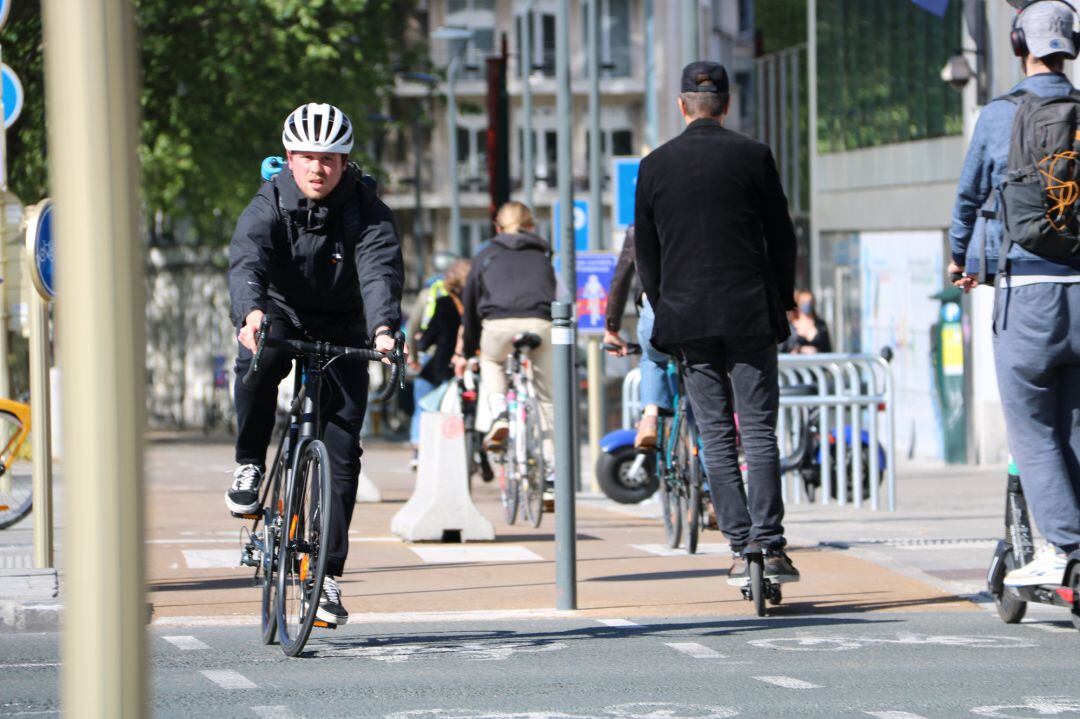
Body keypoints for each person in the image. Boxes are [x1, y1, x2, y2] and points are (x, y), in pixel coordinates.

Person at [227, 102, 404, 625]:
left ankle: (325, 577)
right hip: (281, 311)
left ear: (345, 162)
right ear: (289, 157)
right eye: (307, 156)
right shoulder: (270, 201)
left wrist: (385, 331)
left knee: (343, 450)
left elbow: (379, 271)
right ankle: (250, 462)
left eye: (329, 158)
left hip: (347, 322)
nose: (318, 167)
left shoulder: (368, 209)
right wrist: (251, 312)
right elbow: (248, 259)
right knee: (258, 361)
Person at [634, 61, 800, 585]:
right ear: (726, 105)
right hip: (750, 310)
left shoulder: (655, 165)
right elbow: (782, 234)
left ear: (681, 106)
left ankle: (738, 547)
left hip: (687, 317)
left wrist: (664, 304)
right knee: (758, 430)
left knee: (714, 435)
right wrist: (783, 298)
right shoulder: (754, 155)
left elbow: (646, 250)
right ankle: (771, 546)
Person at [949, 0, 1080, 587]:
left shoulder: (1001, 115)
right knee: (1075, 425)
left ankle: (1066, 550)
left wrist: (960, 256)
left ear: (1016, 44)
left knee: (1032, 427)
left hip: (1027, 293)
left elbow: (971, 197)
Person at [455, 202, 556, 456]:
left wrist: (469, 348)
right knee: (545, 400)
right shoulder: (543, 254)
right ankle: (551, 475)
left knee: (491, 360)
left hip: (498, 325)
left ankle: (500, 413)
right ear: (531, 226)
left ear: (497, 227)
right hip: (540, 324)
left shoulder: (486, 254)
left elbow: (470, 301)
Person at [603, 225, 674, 450]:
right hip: (695, 306)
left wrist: (612, 329)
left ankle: (649, 418)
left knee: (652, 359)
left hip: (655, 309)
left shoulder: (638, 229)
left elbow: (620, 281)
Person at [410, 258, 471, 460]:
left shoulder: (443, 302)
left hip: (442, 364)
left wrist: (418, 349)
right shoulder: (477, 303)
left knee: (424, 405)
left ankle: (419, 450)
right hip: (471, 363)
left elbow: (430, 333)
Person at [789, 288, 832, 354]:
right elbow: (783, 349)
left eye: (810, 302)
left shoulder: (821, 325)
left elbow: (827, 349)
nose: (807, 305)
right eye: (803, 302)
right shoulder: (790, 326)